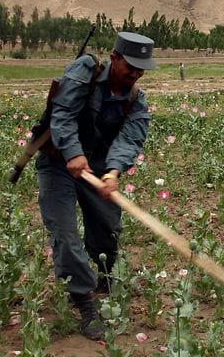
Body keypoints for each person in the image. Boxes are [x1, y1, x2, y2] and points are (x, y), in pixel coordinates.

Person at [37, 32, 155, 340]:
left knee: (106, 226)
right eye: (131, 66)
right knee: (64, 233)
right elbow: (62, 114)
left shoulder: (135, 99)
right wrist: (72, 153)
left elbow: (130, 138)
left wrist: (113, 173)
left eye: (142, 68)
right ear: (114, 58)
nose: (136, 73)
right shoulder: (84, 71)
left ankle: (105, 279)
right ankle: (83, 301)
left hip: (98, 167)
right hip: (58, 162)